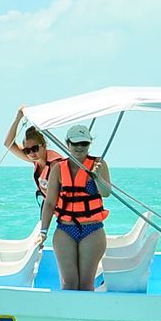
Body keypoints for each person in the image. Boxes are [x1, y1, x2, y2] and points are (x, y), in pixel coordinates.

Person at [39, 124, 111, 291]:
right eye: (75, 143)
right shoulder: (58, 168)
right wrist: (43, 232)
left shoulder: (99, 164)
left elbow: (106, 193)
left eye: (84, 143)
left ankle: (85, 316)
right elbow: (50, 203)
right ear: (68, 144)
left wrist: (98, 177)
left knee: (86, 284)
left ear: (89, 144)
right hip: (65, 229)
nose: (80, 147)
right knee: (69, 283)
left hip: (92, 230)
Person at [3, 106, 64, 209]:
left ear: (44, 145)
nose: (31, 153)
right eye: (27, 150)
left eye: (35, 148)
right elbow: (8, 144)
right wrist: (18, 118)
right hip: (51, 207)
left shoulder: (56, 165)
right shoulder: (36, 160)